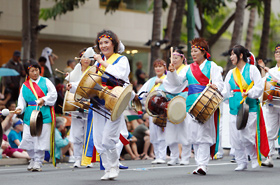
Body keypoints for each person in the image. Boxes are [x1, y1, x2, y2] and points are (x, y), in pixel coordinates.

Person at [164, 38, 224, 175]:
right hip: (191, 104)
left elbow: (219, 83)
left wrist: (216, 86)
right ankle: (199, 164)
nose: (193, 54)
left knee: (204, 134)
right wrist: (172, 72)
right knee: (194, 135)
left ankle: (203, 164)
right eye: (192, 51)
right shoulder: (187, 68)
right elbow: (177, 83)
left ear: (203, 52)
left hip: (206, 102)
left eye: (195, 51)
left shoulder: (212, 66)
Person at [86, 30, 131, 180]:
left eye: (106, 42)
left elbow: (118, 75)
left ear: (114, 44)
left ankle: (114, 166)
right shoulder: (98, 62)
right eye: (100, 43)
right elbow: (90, 82)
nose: (103, 45)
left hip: (115, 103)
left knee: (108, 139)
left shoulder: (121, 60)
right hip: (98, 104)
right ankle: (107, 168)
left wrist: (101, 61)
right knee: (98, 140)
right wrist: (72, 86)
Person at [222, 45, 268, 171]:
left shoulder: (252, 69)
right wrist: (218, 94)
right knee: (235, 137)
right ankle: (241, 161)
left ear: (241, 55)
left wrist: (249, 93)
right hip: (234, 108)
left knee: (247, 135)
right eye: (230, 54)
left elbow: (259, 87)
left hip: (250, 108)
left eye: (233, 54)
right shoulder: (231, 73)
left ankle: (254, 158)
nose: (231, 57)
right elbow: (226, 91)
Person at [14, 60, 57, 172]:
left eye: (36, 70)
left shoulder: (46, 81)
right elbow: (22, 100)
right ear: (28, 73)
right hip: (30, 114)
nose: (35, 73)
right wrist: (20, 108)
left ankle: (38, 161)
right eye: (32, 71)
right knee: (28, 138)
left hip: (44, 113)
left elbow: (53, 94)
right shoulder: (24, 85)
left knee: (41, 138)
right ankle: (33, 158)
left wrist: (44, 99)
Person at [161, 48, 192, 166]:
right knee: (170, 130)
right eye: (172, 57)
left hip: (183, 99)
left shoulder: (186, 69)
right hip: (171, 100)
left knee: (185, 129)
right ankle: (174, 157)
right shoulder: (169, 70)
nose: (173, 59)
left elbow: (178, 83)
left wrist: (173, 73)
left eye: (176, 57)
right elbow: (168, 85)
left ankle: (185, 157)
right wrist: (171, 72)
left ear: (182, 58)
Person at [136, 58, 167, 164]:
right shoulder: (151, 81)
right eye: (156, 66)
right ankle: (158, 155)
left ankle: (162, 156)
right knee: (153, 133)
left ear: (164, 67)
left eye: (160, 66)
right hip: (152, 110)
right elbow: (142, 93)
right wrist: (138, 99)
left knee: (162, 133)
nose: (158, 68)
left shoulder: (168, 79)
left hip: (164, 110)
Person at [66, 47, 92, 168]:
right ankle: (77, 158)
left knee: (89, 132)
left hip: (91, 104)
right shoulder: (75, 70)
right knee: (77, 133)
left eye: (88, 57)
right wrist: (69, 85)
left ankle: (88, 159)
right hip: (76, 104)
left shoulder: (94, 71)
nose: (86, 59)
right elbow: (69, 86)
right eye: (83, 56)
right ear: (80, 58)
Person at [258, 44, 280, 168]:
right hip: (272, 104)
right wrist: (263, 71)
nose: (278, 53)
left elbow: (277, 80)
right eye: (276, 51)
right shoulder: (271, 70)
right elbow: (263, 83)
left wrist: (270, 73)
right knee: (270, 131)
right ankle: (269, 156)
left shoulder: (271, 71)